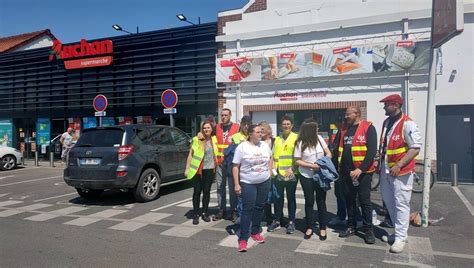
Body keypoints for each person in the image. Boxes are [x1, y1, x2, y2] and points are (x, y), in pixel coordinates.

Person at [378, 94, 422, 253]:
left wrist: (399, 164)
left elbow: (415, 148)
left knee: (401, 204)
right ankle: (397, 233)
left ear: (396, 105)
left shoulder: (407, 123)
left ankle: (401, 238)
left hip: (400, 171)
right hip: (385, 170)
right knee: (390, 203)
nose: (384, 107)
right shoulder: (386, 122)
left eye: (387, 105)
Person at [337, 106, 377, 245]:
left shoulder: (368, 127)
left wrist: (360, 169)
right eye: (346, 114)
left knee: (364, 201)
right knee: (350, 200)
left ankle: (368, 230)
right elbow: (340, 149)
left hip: (362, 173)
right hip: (346, 173)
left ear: (357, 114)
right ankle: (351, 226)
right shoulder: (344, 129)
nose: (346, 116)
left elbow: (372, 151)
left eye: (348, 114)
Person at [232, 124, 273, 252]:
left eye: (261, 132)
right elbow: (235, 166)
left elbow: (271, 158)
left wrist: (270, 173)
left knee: (259, 207)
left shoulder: (265, 145)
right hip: (248, 182)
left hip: (264, 182)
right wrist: (236, 184)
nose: (260, 134)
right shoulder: (242, 147)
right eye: (257, 132)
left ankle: (255, 232)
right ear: (250, 134)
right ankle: (243, 238)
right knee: (247, 210)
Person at [294, 119, 332, 240]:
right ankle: (309, 227)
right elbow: (297, 160)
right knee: (309, 201)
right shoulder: (300, 142)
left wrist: (323, 162)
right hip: (306, 175)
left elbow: (328, 153)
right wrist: (311, 166)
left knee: (321, 201)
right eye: (316, 128)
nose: (318, 130)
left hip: (320, 175)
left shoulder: (320, 139)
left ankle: (322, 228)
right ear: (310, 130)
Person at [184, 121, 218, 225]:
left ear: (211, 129)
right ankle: (195, 213)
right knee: (197, 191)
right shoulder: (196, 139)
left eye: (208, 128)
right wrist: (187, 168)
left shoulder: (214, 139)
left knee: (206, 192)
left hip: (209, 169)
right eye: (204, 128)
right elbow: (190, 155)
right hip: (198, 170)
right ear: (202, 129)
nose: (206, 130)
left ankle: (205, 212)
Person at [268, 116, 298, 234]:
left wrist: (293, 168)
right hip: (278, 175)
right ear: (281, 125)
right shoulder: (278, 139)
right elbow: (274, 157)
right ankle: (277, 220)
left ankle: (291, 221)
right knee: (278, 198)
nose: (285, 126)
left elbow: (299, 156)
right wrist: (272, 170)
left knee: (291, 198)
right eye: (284, 124)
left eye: (288, 124)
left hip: (291, 174)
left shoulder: (296, 138)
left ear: (292, 125)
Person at [223, 115, 253, 222]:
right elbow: (226, 152)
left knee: (247, 192)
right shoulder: (235, 136)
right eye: (244, 124)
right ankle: (234, 211)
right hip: (235, 169)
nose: (246, 126)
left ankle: (245, 212)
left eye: (248, 124)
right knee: (234, 192)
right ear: (241, 125)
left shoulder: (252, 136)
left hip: (248, 171)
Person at [213, 108, 240, 221]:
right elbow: (206, 133)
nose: (223, 117)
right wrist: (200, 133)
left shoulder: (237, 128)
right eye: (222, 115)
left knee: (233, 188)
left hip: (231, 162)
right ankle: (221, 209)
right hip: (219, 162)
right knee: (220, 187)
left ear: (230, 115)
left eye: (225, 115)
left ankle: (234, 210)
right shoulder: (217, 127)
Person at [259, 121, 275, 226]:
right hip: (263, 172)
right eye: (259, 130)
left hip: (275, 171)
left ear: (268, 130)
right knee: (265, 195)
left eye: (262, 130)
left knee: (276, 195)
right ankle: (268, 216)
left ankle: (279, 217)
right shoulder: (259, 142)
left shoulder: (275, 140)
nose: (261, 132)